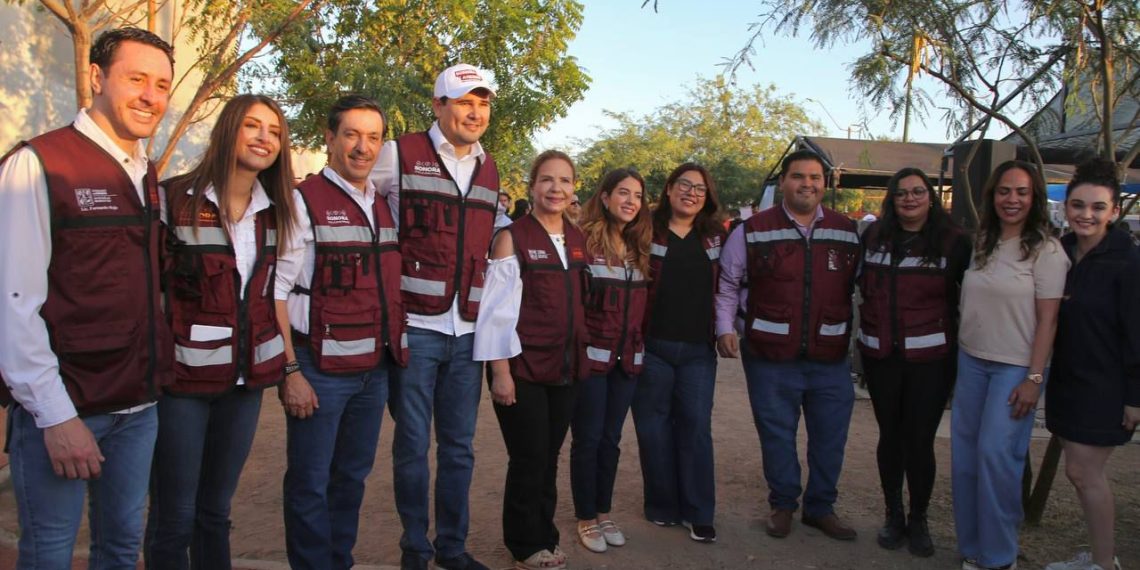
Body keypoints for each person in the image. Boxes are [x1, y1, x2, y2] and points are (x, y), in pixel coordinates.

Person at [0, 27, 175, 569]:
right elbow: (13, 302)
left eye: (162, 85)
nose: (151, 96)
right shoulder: (39, 165)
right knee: (50, 553)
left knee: (122, 548)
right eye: (137, 79)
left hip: (138, 409)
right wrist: (55, 417)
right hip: (66, 408)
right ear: (97, 79)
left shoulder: (145, 173)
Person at [145, 94, 298, 569]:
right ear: (228, 130)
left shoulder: (277, 212)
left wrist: (286, 368)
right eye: (253, 126)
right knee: (174, 514)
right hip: (182, 387)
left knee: (215, 511)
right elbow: (150, 291)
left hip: (243, 386)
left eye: (274, 132)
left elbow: (274, 295)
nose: (263, 138)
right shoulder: (174, 199)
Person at [371, 63, 498, 570]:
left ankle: (452, 548)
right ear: (439, 104)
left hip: (466, 333)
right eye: (465, 101)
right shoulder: (397, 154)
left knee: (460, 450)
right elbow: (359, 200)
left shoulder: (490, 166)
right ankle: (414, 550)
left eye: (483, 103)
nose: (475, 112)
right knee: (411, 448)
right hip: (415, 329)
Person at [275, 95, 408, 570]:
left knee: (351, 478)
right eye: (351, 134)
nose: (362, 147)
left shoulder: (384, 204)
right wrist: (290, 370)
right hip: (318, 370)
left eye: (373, 137)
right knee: (310, 482)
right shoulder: (301, 200)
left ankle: (339, 561)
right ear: (329, 138)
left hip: (374, 372)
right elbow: (276, 292)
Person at [716, 150, 860, 542]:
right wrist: (724, 327)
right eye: (798, 176)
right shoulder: (752, 230)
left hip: (829, 358)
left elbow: (859, 289)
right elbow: (728, 283)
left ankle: (821, 508)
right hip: (769, 356)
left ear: (825, 184)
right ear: (783, 182)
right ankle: (783, 504)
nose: (807, 184)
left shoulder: (847, 231)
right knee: (777, 434)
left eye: (815, 177)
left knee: (830, 437)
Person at [474, 150, 588, 570]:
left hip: (566, 368)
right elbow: (495, 312)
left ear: (574, 188)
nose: (556, 188)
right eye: (547, 180)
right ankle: (524, 544)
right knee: (529, 457)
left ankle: (545, 535)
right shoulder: (511, 237)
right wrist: (500, 373)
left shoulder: (577, 239)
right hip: (521, 370)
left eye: (564, 180)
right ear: (532, 187)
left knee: (550, 456)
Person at [952, 160, 1068, 570]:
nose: (1012, 199)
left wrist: (1034, 378)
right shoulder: (984, 241)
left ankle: (999, 559)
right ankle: (972, 550)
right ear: (992, 196)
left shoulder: (1047, 250)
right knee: (964, 460)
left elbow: (1049, 321)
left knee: (995, 459)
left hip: (1015, 368)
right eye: (1004, 191)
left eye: (1021, 192)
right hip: (971, 362)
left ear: (1034, 197)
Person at [856, 167, 971, 557]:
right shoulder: (873, 236)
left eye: (918, 192)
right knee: (890, 437)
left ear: (930, 197)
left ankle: (919, 519)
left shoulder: (954, 241)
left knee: (920, 441)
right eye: (902, 193)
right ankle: (894, 515)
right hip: (881, 356)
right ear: (892, 198)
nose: (910, 199)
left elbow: (965, 299)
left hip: (931, 359)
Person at [1043, 159, 1140, 570]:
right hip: (1067, 381)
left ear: (1114, 211)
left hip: (1107, 386)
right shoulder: (1060, 252)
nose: (1087, 214)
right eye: (1078, 205)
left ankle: (1104, 564)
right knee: (1078, 473)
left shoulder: (1129, 261)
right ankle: (1102, 558)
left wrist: (1135, 397)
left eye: (1098, 207)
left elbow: (1138, 333)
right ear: (1067, 208)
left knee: (1086, 473)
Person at [631, 163, 726, 543]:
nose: (691, 192)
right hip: (652, 346)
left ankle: (699, 511)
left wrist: (727, 329)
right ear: (668, 190)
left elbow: (730, 286)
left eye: (700, 188)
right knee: (653, 429)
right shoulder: (644, 230)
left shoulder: (715, 237)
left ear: (707, 197)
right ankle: (662, 505)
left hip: (698, 351)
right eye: (684, 185)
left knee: (695, 428)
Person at [569, 168, 651, 554]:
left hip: (627, 363)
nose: (631, 201)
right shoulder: (583, 243)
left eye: (637, 195)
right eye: (623, 192)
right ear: (604, 197)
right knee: (588, 439)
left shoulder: (640, 248)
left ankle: (603, 511)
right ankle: (585, 516)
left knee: (611, 440)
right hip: (591, 362)